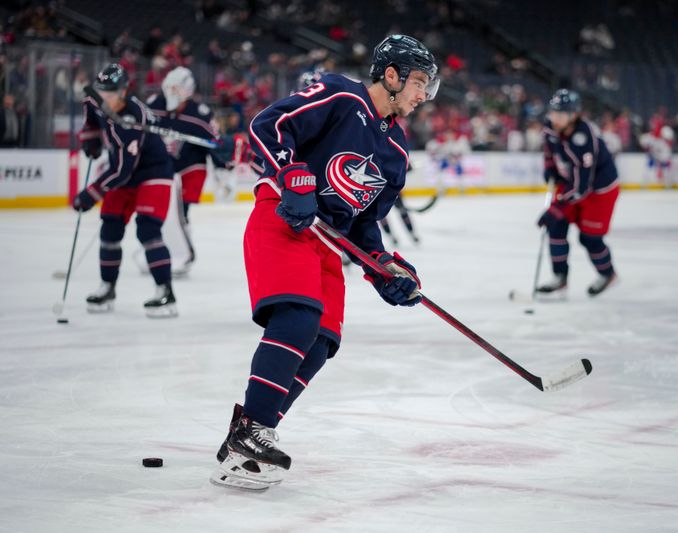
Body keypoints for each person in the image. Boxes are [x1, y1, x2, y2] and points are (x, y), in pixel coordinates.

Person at [211, 34, 438, 491]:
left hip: (328, 244)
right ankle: (250, 431)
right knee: (298, 318)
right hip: (283, 219)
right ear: (390, 76)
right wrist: (290, 172)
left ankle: (252, 434)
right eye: (417, 83)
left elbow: (364, 225)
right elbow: (267, 125)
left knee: (319, 344)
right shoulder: (341, 95)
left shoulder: (396, 154)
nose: (422, 96)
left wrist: (386, 269)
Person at [74, 63, 177, 317]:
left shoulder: (132, 118)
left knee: (148, 229)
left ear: (124, 90)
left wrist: (91, 194)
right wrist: (90, 139)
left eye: (110, 93)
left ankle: (166, 292)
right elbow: (90, 112)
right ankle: (107, 287)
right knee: (110, 227)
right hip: (125, 173)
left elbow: (122, 170)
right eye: (102, 92)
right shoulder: (96, 98)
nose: (104, 98)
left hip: (153, 172)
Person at [537, 89, 620, 297]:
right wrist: (549, 168)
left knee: (589, 238)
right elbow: (549, 150)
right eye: (553, 112)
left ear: (573, 115)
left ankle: (608, 274)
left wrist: (555, 207)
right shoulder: (550, 127)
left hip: (599, 191)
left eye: (561, 114)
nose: (555, 118)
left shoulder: (583, 139)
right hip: (571, 184)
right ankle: (560, 278)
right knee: (556, 226)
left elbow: (582, 187)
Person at [145, 66, 220, 275]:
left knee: (180, 210)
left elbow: (215, 143)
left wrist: (223, 169)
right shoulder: (153, 105)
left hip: (190, 167)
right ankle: (160, 247)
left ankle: (183, 253)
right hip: (164, 166)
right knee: (158, 210)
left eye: (177, 88)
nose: (172, 92)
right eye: (169, 87)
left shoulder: (200, 113)